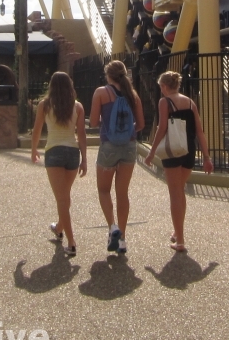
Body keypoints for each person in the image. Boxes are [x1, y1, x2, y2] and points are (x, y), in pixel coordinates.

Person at [144, 71, 214, 252]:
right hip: (189, 149)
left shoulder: (164, 102)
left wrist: (152, 152)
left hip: (173, 150)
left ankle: (180, 240)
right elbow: (199, 131)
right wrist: (206, 157)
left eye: (161, 87)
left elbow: (162, 129)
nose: (161, 90)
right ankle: (177, 231)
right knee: (180, 191)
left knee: (175, 193)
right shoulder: (190, 102)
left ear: (165, 86)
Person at [89, 60, 144, 255]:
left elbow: (94, 121)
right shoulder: (133, 95)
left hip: (108, 146)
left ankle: (112, 227)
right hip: (129, 146)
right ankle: (122, 239)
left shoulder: (101, 93)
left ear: (108, 75)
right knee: (123, 193)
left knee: (104, 190)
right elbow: (141, 124)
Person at [31, 72, 87, 257]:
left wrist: (34, 149)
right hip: (72, 152)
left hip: (54, 151)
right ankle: (59, 227)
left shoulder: (45, 105)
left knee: (61, 198)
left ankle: (71, 242)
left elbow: (37, 128)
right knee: (65, 195)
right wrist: (84, 158)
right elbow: (82, 135)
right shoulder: (77, 106)